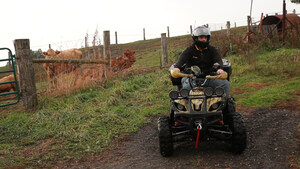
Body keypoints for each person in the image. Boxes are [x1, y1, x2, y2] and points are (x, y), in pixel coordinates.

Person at [172, 26, 229, 96]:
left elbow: (218, 60)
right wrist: (177, 68)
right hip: (191, 77)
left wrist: (219, 69)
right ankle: (186, 105)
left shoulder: (212, 50)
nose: (204, 39)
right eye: (201, 37)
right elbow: (181, 60)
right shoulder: (189, 50)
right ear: (195, 38)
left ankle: (224, 104)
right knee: (186, 88)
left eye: (205, 37)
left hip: (209, 77)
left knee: (224, 83)